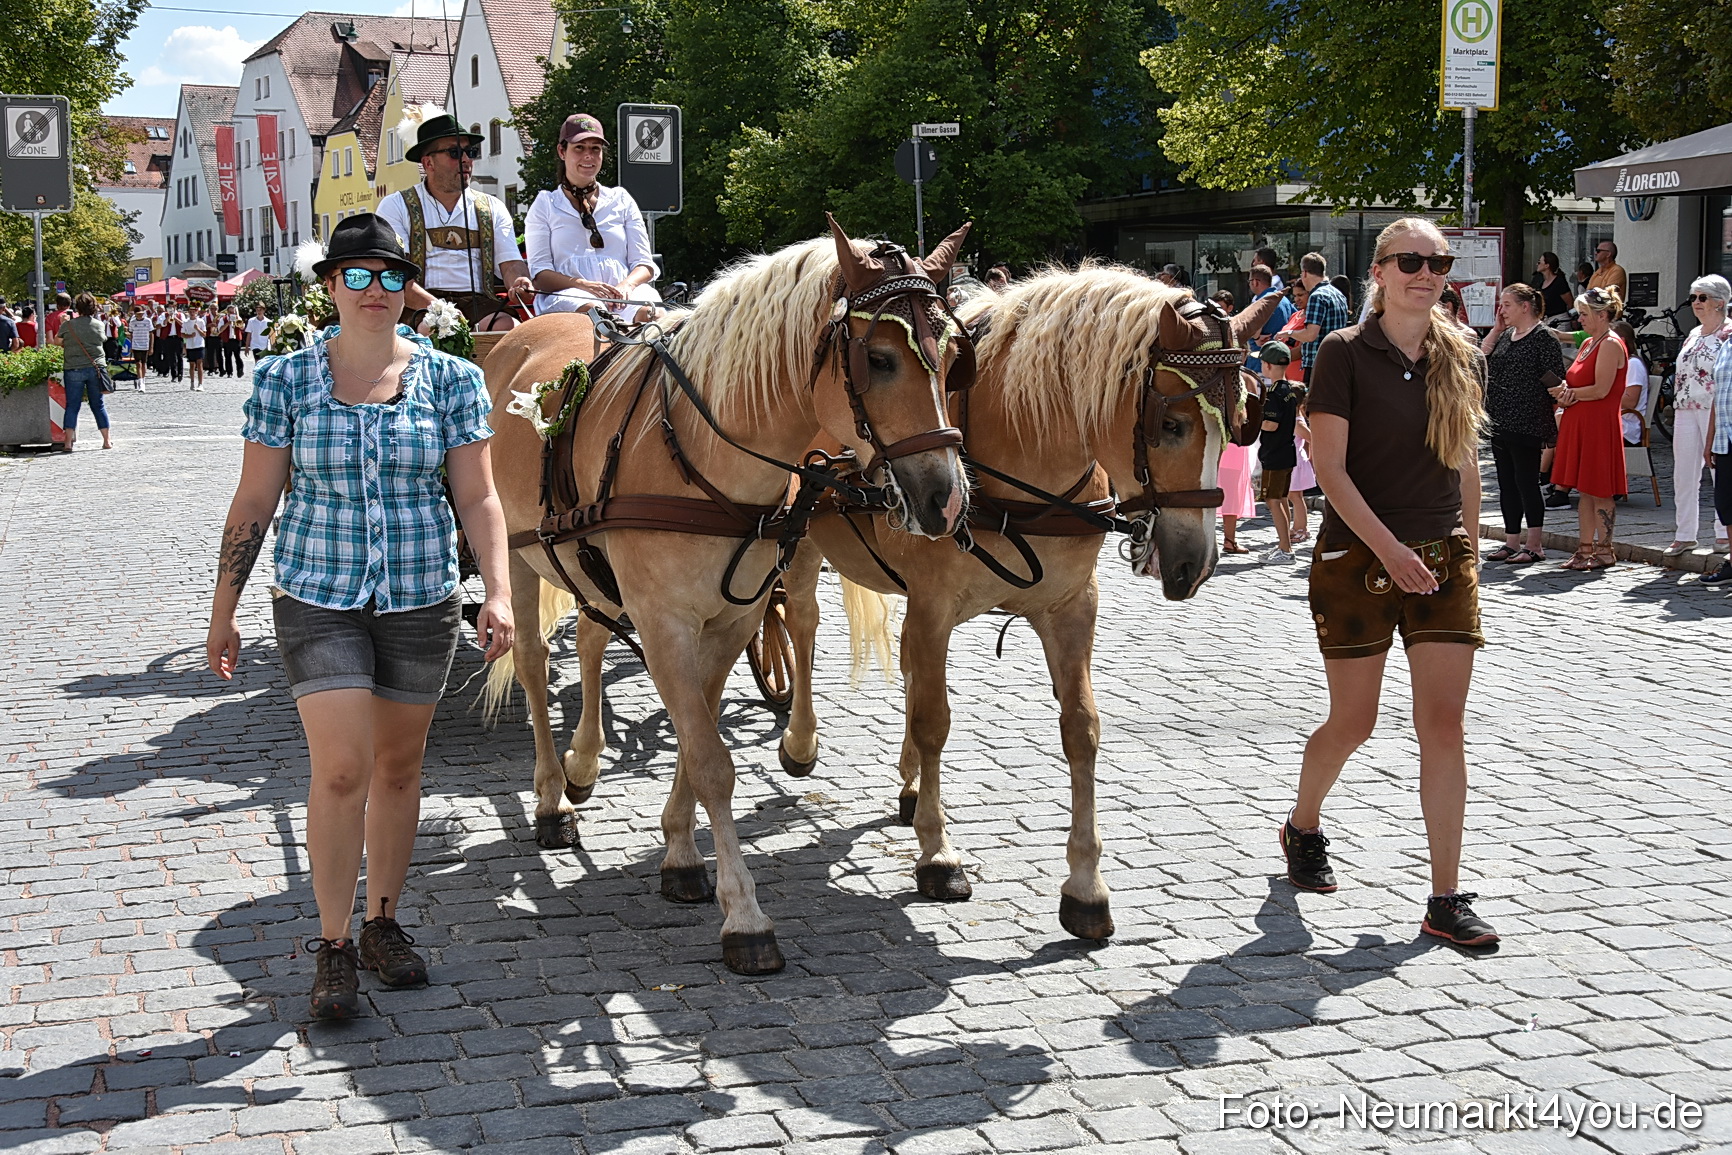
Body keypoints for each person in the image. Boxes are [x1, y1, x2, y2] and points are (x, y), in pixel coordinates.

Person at [204, 213, 515, 1020]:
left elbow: (479, 496)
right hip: (318, 595)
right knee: (343, 767)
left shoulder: (452, 379)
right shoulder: (286, 380)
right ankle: (335, 943)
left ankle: (383, 923)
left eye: (390, 276)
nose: (375, 290)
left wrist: (501, 591)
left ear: (407, 288)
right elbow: (254, 500)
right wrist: (224, 609)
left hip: (420, 596)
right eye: (358, 275)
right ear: (331, 286)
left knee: (400, 768)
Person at [1282, 217, 1496, 947]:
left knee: (1444, 724)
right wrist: (1391, 550)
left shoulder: (1461, 353)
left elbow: (1464, 463)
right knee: (1355, 720)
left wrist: (1468, 550)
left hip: (1443, 558)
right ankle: (1303, 823)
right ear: (1379, 271)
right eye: (1410, 261)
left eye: (1439, 262)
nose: (1426, 273)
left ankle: (1446, 896)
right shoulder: (1343, 353)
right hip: (1357, 559)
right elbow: (1331, 471)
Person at [376, 106, 534, 332]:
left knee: (510, 329)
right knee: (431, 329)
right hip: (420, 304)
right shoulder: (396, 206)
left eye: (471, 152)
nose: (466, 160)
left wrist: (519, 281)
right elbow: (397, 276)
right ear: (428, 163)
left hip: (478, 304)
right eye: (454, 153)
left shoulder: (492, 207)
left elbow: (510, 264)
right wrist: (441, 311)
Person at [525, 113, 659, 322]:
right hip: (570, 296)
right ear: (562, 151)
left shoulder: (621, 199)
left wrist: (627, 285)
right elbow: (540, 275)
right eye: (579, 148)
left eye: (595, 149)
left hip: (622, 295)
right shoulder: (546, 204)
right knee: (595, 312)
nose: (588, 156)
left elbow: (644, 263)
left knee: (653, 312)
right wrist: (584, 286)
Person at [1480, 284, 1566, 565]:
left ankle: (1535, 544)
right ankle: (1511, 541)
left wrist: (1558, 399)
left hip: (1528, 420)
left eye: (1507, 305)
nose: (1501, 310)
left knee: (1526, 482)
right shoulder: (1506, 335)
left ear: (1525, 306)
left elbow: (1554, 377)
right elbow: (1482, 358)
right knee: (1506, 483)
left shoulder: (1543, 337)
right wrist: (1496, 329)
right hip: (1501, 419)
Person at [1549, 286, 1629, 571]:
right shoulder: (1588, 343)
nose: (1579, 319)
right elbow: (1579, 382)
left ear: (1602, 315)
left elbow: (1600, 389)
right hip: (1580, 421)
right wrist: (1565, 391)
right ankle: (1584, 549)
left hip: (1598, 425)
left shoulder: (1610, 343)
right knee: (1584, 489)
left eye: (1584, 314)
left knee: (1600, 489)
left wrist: (1569, 394)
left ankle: (1605, 550)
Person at [1663, 276, 1731, 556]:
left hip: (1715, 408)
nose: (1696, 303)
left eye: (1702, 298)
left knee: (1719, 471)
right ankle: (1685, 534)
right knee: (1683, 473)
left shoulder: (1728, 332)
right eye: (1693, 298)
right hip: (1685, 407)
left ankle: (1723, 532)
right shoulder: (1693, 333)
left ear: (1720, 302)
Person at [49, 293, 113, 452]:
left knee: (72, 406)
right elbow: (102, 340)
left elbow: (57, 342)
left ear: (77, 308)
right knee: (98, 405)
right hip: (95, 368)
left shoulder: (68, 325)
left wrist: (64, 324)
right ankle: (106, 441)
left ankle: (67, 443)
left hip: (73, 367)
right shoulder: (98, 324)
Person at [1257, 346, 1302, 564]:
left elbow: (1271, 424)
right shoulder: (1289, 390)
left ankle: (1285, 549)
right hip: (1286, 452)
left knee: (1273, 500)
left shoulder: (1274, 394)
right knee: (1281, 499)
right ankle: (1284, 545)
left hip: (1274, 454)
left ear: (1267, 365)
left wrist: (1252, 421)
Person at [1281, 252, 1351, 383]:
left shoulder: (1316, 296)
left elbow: (1310, 335)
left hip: (1317, 363)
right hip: (1337, 362)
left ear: (1304, 273)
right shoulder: (1338, 294)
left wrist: (1288, 333)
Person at [1705, 311, 1732, 584]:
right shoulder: (1726, 346)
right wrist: (1710, 439)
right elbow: (1717, 397)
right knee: (1726, 502)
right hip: (1725, 438)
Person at [1244, 265, 1294, 375]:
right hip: (1281, 362)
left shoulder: (1262, 301)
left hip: (1261, 364)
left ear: (1255, 282)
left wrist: (1256, 337)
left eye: (1250, 281)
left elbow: (1254, 326)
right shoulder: (1283, 300)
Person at [1534, 251, 1572, 320]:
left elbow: (1570, 303)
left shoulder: (1559, 282)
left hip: (1560, 320)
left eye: (1539, 262)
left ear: (1547, 265)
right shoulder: (1542, 283)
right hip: (1547, 320)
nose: (1537, 264)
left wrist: (1573, 319)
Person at [128, 306, 152, 389]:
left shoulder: (148, 321)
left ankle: (143, 379)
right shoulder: (132, 322)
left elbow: (151, 333)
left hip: (145, 344)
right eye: (138, 314)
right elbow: (131, 334)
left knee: (144, 363)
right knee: (138, 363)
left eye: (141, 314)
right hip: (136, 344)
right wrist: (131, 345)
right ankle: (140, 381)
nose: (140, 315)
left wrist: (151, 347)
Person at [184, 304, 207, 390]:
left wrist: (198, 329)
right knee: (191, 365)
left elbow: (204, 334)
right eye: (190, 312)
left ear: (196, 312)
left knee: (199, 364)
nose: (192, 313)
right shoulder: (185, 322)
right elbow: (182, 334)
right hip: (190, 345)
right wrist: (189, 336)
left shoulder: (201, 321)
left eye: (193, 312)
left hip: (199, 344)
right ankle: (192, 382)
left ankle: (200, 384)